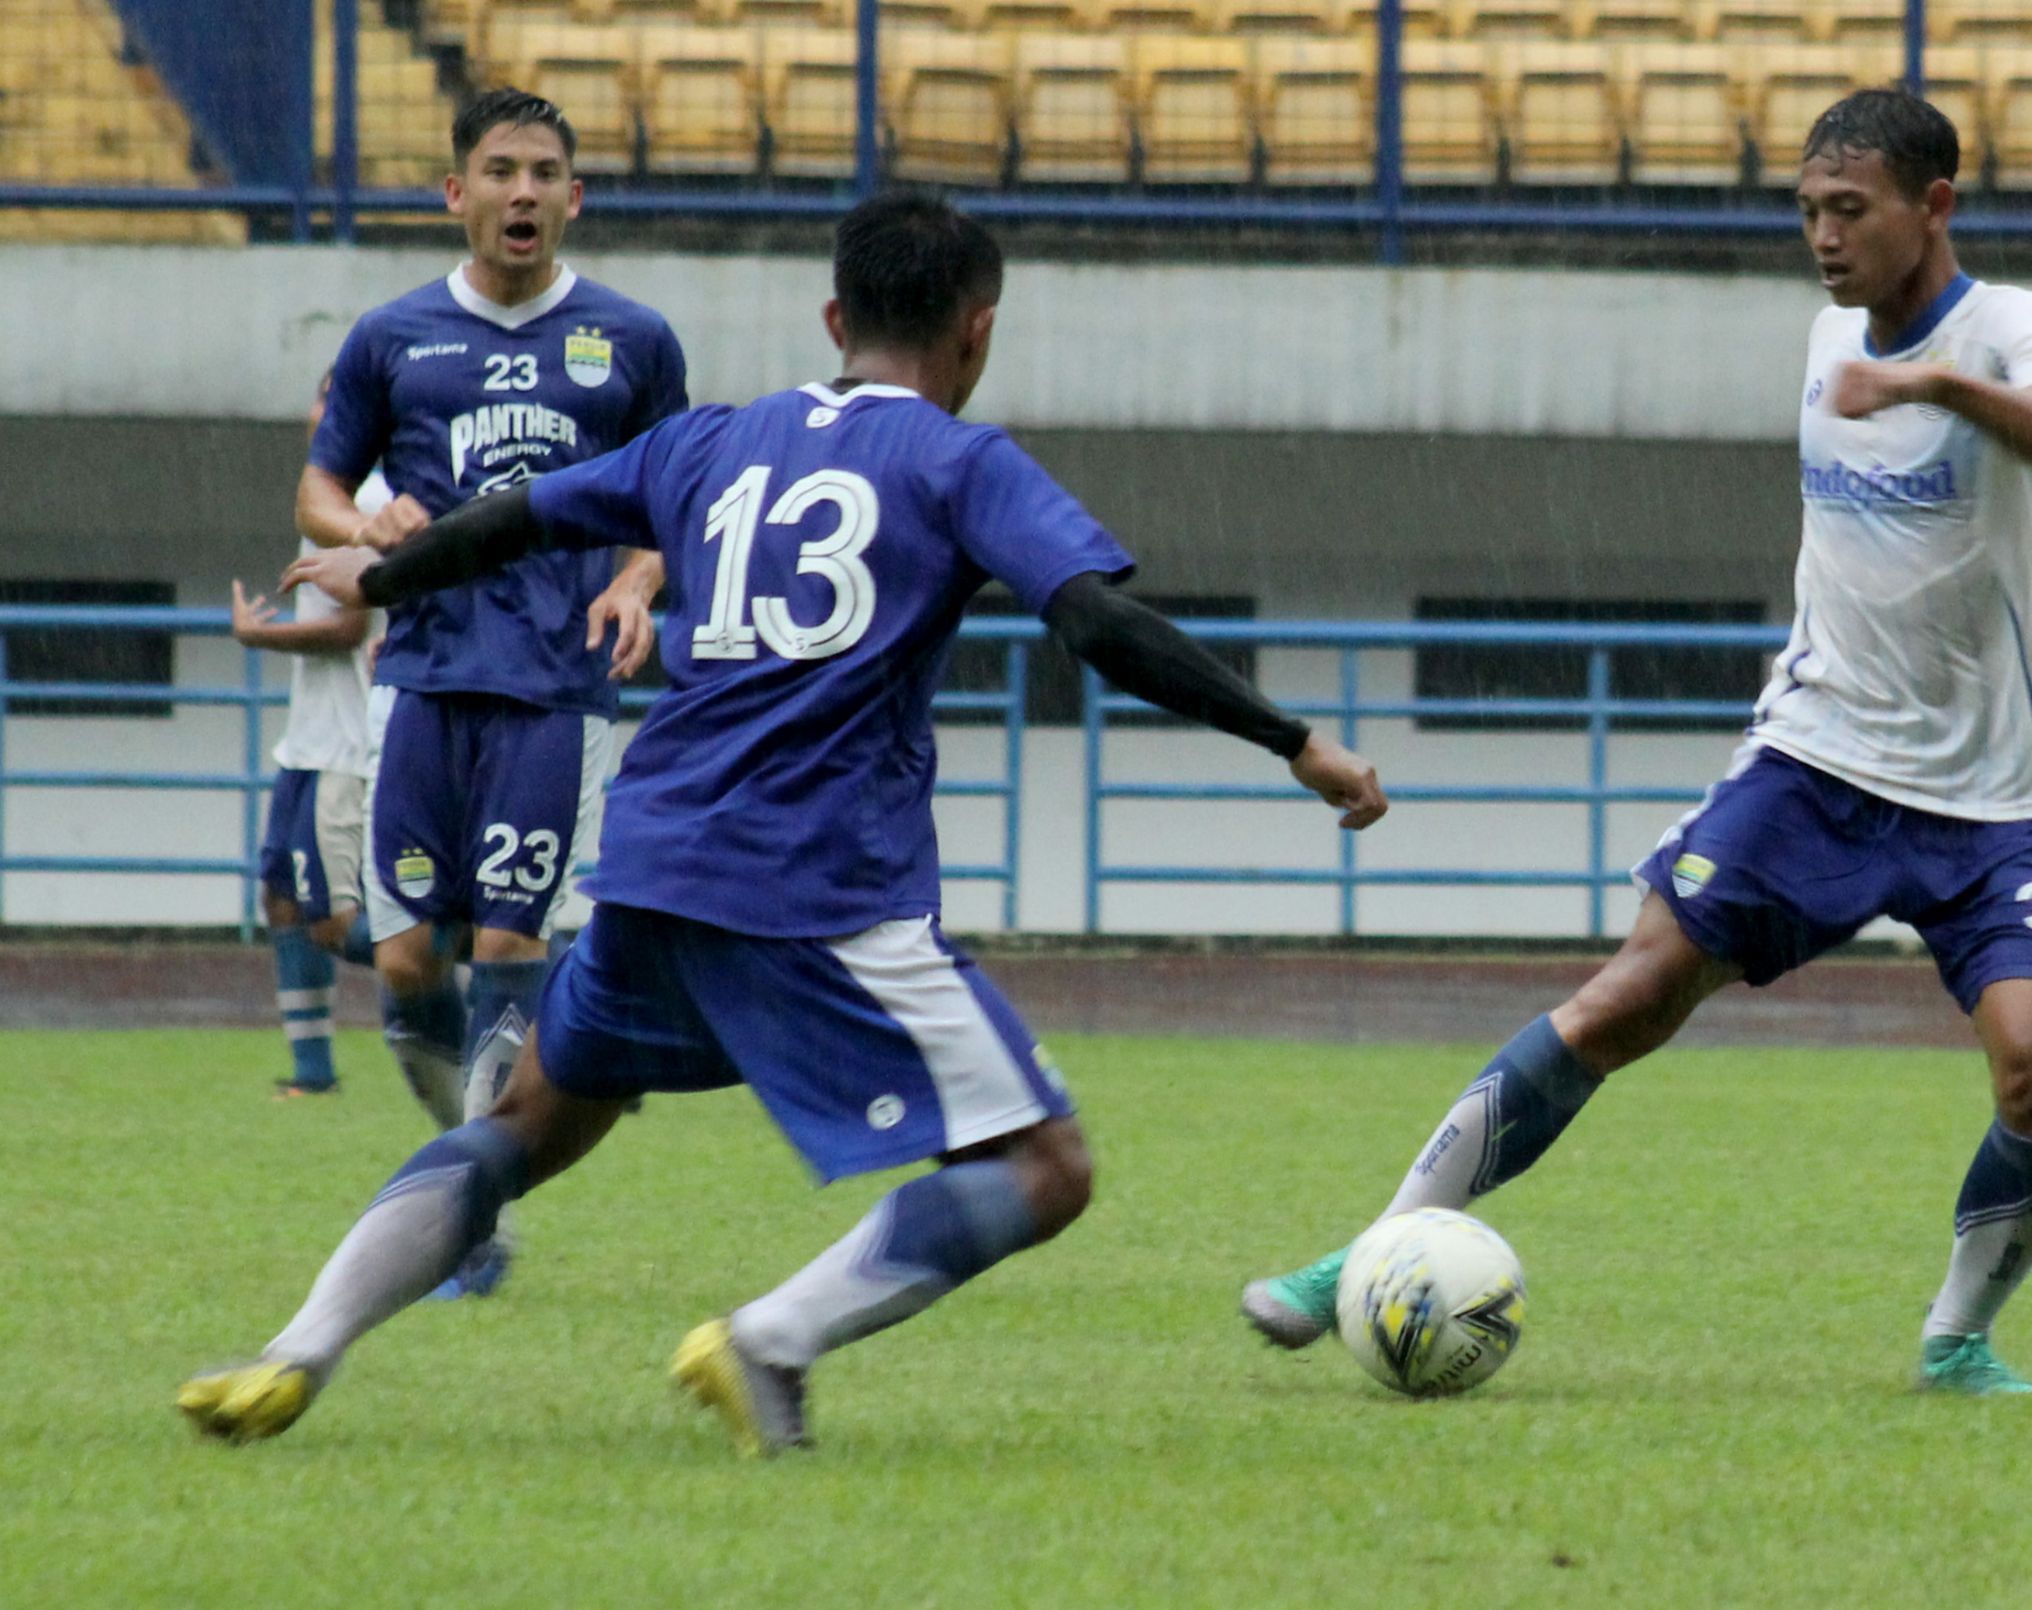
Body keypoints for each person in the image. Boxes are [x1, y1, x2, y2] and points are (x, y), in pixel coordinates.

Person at [177, 192, 1389, 1455]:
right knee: (1046, 1166)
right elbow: (1095, 623)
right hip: (815, 882)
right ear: (977, 332)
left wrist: (378, 575)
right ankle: (768, 1340)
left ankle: (294, 1348)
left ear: (833, 315)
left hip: (652, 862)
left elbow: (516, 516)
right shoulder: (958, 460)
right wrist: (1295, 742)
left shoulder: (707, 442)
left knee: (524, 1126)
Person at [1241, 88, 2032, 1398]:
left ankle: (1956, 1339)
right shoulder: (1825, 336)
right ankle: (1370, 1249)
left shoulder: (2006, 330)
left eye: (1850, 211)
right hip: (1815, 762)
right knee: (1626, 995)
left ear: (1932, 207)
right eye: (1808, 212)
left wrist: (1929, 379)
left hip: (1992, 802)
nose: (1823, 239)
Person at [297, 88, 687, 1294]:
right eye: (501, 170)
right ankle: (485, 1139)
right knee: (406, 964)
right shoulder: (390, 338)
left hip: (555, 690)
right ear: (454, 192)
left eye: (546, 173)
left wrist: (634, 585)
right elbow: (317, 490)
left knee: (512, 936)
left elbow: (674, 500)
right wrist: (367, 516)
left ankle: (467, 1207)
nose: (524, 192)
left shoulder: (631, 340)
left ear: (576, 197)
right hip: (418, 678)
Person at [238, 380, 385, 1098]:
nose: (321, 413)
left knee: (334, 921)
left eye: (337, 399)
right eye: (320, 397)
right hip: (307, 743)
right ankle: (312, 1073)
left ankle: (527, 975)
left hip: (349, 751)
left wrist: (258, 634)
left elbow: (351, 626)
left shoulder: (370, 502)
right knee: (281, 898)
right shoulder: (330, 495)